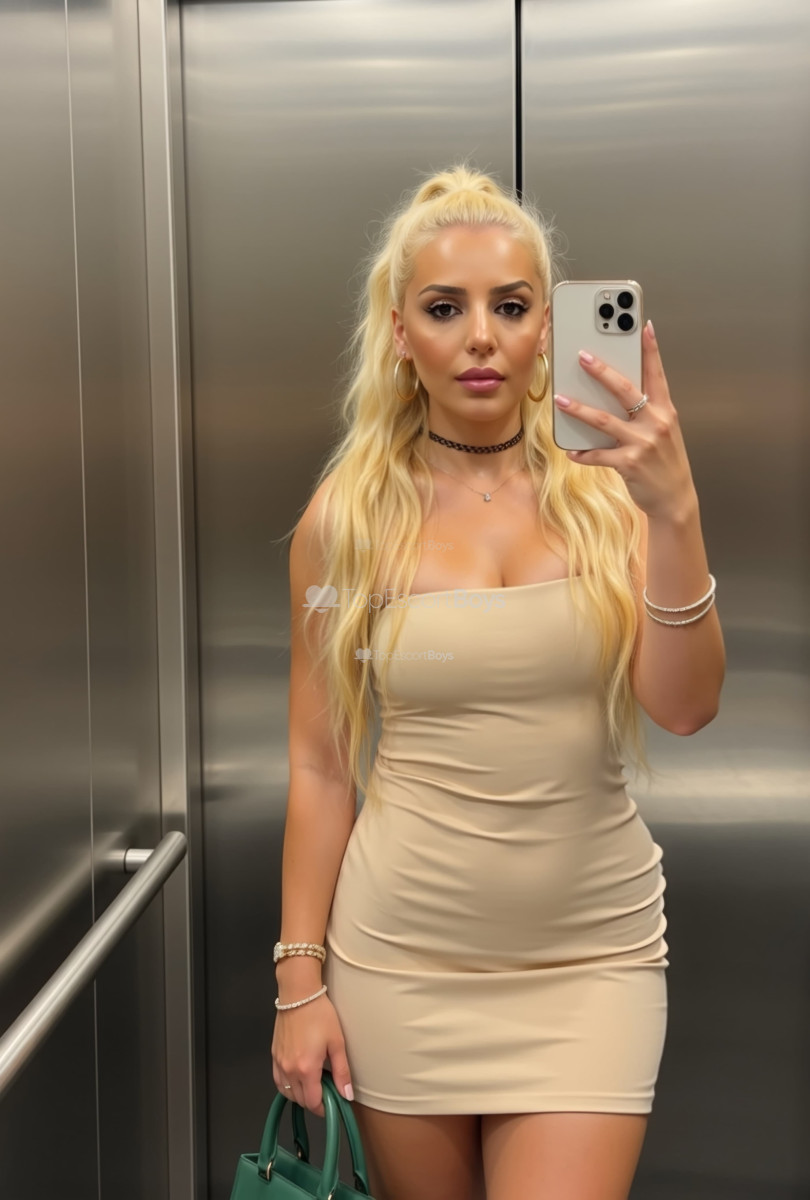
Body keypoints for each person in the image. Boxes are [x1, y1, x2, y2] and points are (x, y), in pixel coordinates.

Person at [271, 166, 725, 1200]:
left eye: (512, 307)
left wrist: (675, 510)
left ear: (546, 328)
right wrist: (299, 979)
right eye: (446, 309)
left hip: (591, 961)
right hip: (400, 963)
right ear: (400, 333)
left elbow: (688, 706)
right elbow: (320, 763)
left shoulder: (615, 499)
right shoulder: (346, 520)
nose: (481, 336)